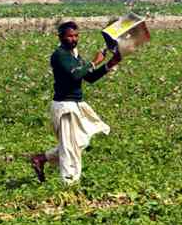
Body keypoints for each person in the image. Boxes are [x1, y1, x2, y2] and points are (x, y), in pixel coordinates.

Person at [28, 21, 122, 185]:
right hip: (64, 106)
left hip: (76, 103)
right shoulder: (59, 56)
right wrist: (94, 62)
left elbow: (89, 77)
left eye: (76, 35)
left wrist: (109, 64)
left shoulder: (75, 56)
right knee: (70, 148)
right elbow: (75, 76)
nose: (74, 39)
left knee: (79, 142)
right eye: (70, 36)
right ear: (61, 37)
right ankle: (69, 185)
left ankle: (41, 158)